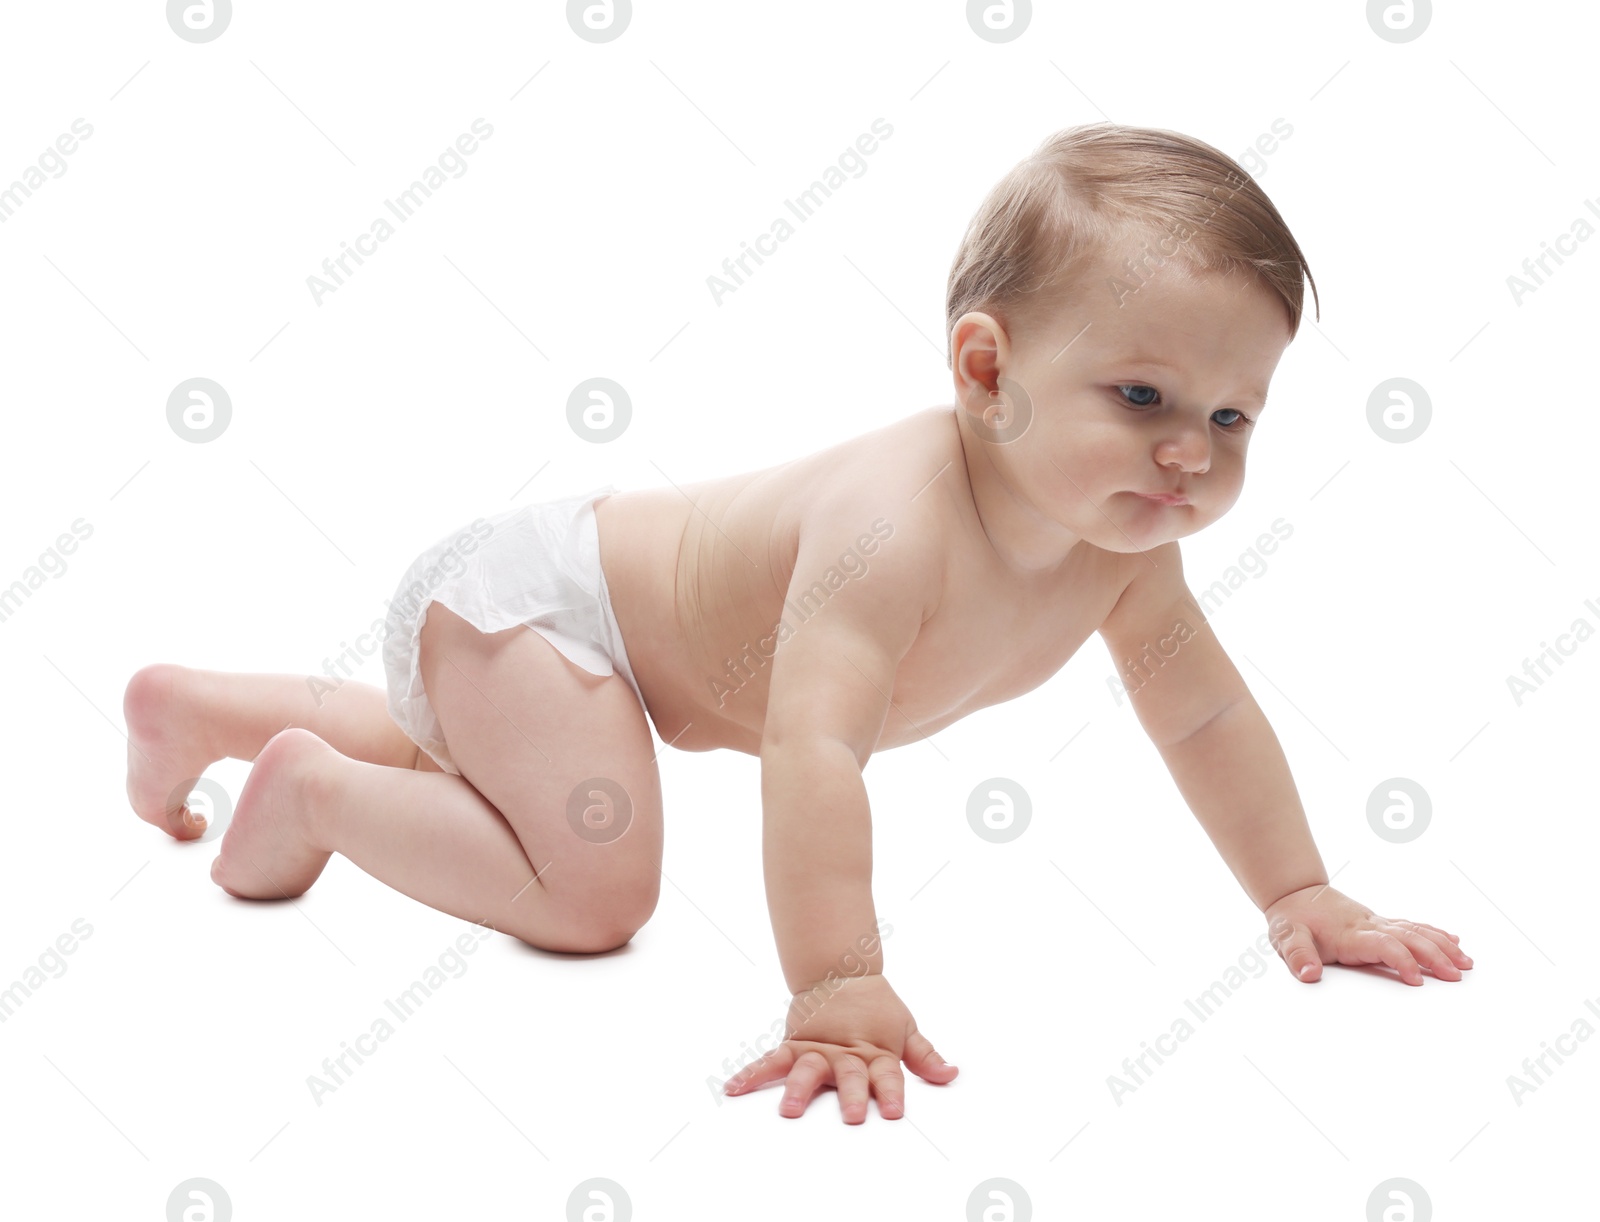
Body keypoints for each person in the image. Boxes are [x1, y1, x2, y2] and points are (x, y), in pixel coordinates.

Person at [124, 122, 1472, 1127]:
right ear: (986, 369)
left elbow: (1206, 713)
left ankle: (201, 710)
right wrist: (836, 977)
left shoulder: (1120, 551)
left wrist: (1299, 890)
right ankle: (308, 796)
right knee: (595, 885)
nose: (1192, 455)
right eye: (1142, 396)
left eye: (1233, 417)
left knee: (492, 758)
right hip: (540, 608)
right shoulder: (892, 527)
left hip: (564, 647)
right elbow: (812, 749)